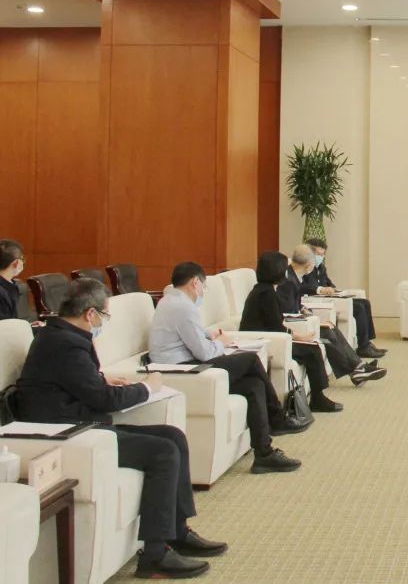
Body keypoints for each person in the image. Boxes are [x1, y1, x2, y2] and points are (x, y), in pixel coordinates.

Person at [15, 279, 226, 579]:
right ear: (90, 314)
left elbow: (77, 382)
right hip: (71, 432)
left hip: (80, 421)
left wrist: (101, 379)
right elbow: (105, 400)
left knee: (173, 436)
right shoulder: (65, 344)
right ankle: (155, 555)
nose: (104, 322)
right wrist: (147, 388)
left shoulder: (61, 335)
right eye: (104, 315)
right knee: (163, 451)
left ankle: (177, 532)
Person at [149, 262, 303, 474]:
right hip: (184, 369)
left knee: (254, 385)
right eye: (204, 286)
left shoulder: (171, 301)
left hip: (186, 364)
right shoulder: (183, 307)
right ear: (195, 282)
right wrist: (221, 342)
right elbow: (205, 353)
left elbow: (192, 334)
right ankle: (277, 417)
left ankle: (264, 454)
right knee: (250, 360)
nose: (203, 291)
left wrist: (210, 335)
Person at [241, 252, 344, 413]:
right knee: (312, 351)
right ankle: (318, 398)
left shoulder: (264, 290)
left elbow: (276, 322)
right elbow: (277, 327)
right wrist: (300, 337)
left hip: (271, 338)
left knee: (313, 348)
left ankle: (318, 396)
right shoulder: (267, 294)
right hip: (266, 341)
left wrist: (297, 335)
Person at [279, 247, 386, 386]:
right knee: (327, 332)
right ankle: (358, 370)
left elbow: (294, 303)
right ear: (309, 264)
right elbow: (288, 312)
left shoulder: (294, 277)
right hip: (297, 327)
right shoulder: (289, 282)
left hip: (301, 321)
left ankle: (358, 368)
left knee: (331, 327)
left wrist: (303, 309)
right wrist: (308, 318)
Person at [302, 237, 386, 359]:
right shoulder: (305, 267)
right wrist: (320, 289)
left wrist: (334, 290)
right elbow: (304, 286)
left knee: (365, 303)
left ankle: (367, 342)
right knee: (359, 307)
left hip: (329, 298)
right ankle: (363, 347)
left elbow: (329, 283)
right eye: (318, 254)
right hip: (317, 301)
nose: (320, 257)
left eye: (323, 254)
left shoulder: (321, 268)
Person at [0, 239, 25, 320]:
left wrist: (29, 325)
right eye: (22, 259)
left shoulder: (8, 285)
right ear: (17, 263)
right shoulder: (3, 291)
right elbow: (5, 324)